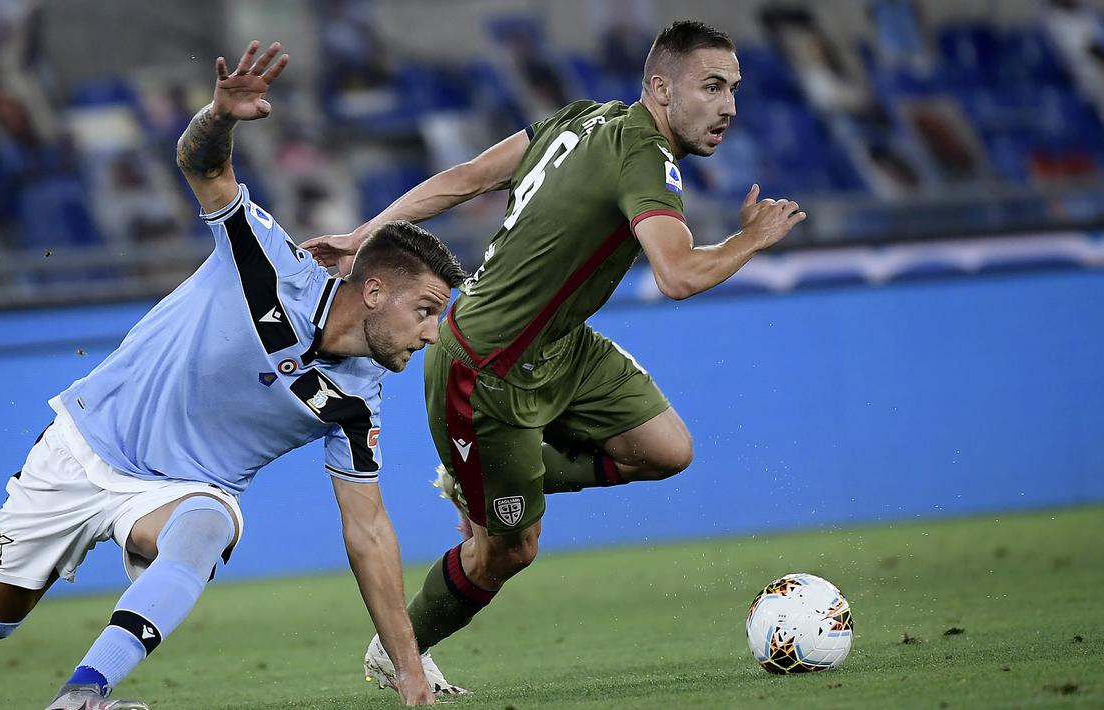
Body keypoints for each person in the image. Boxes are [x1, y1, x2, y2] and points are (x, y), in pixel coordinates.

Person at [0, 40, 464, 710]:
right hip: (83, 448)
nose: (431, 334)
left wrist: (409, 671)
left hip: (183, 492)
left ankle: (82, 696)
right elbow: (202, 165)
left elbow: (367, 530)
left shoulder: (357, 400)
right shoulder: (268, 263)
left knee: (208, 525)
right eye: (424, 311)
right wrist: (219, 118)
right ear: (372, 292)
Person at [300, 20, 807, 692]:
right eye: (711, 86)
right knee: (508, 550)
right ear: (659, 87)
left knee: (666, 450)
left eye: (733, 90)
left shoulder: (578, 119)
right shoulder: (644, 156)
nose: (728, 106)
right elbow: (677, 275)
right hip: (486, 371)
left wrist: (366, 232)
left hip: (561, 346)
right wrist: (751, 239)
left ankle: (478, 483)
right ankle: (399, 651)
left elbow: (467, 177)